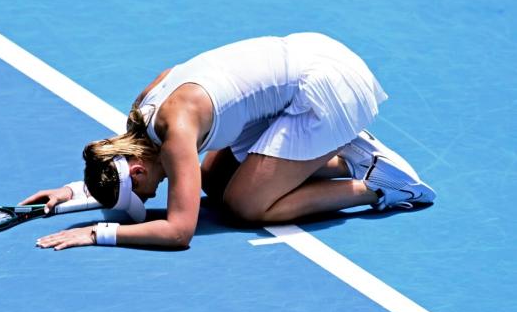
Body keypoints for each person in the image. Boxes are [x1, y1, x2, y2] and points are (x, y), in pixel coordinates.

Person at [21, 32, 435, 250]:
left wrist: (97, 233)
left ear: (138, 168)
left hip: (332, 89)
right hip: (315, 54)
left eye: (141, 193)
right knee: (213, 183)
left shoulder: (176, 134)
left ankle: (378, 184)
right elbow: (124, 172)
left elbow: (180, 232)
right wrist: (72, 194)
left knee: (243, 205)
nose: (148, 200)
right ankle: (345, 154)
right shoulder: (142, 115)